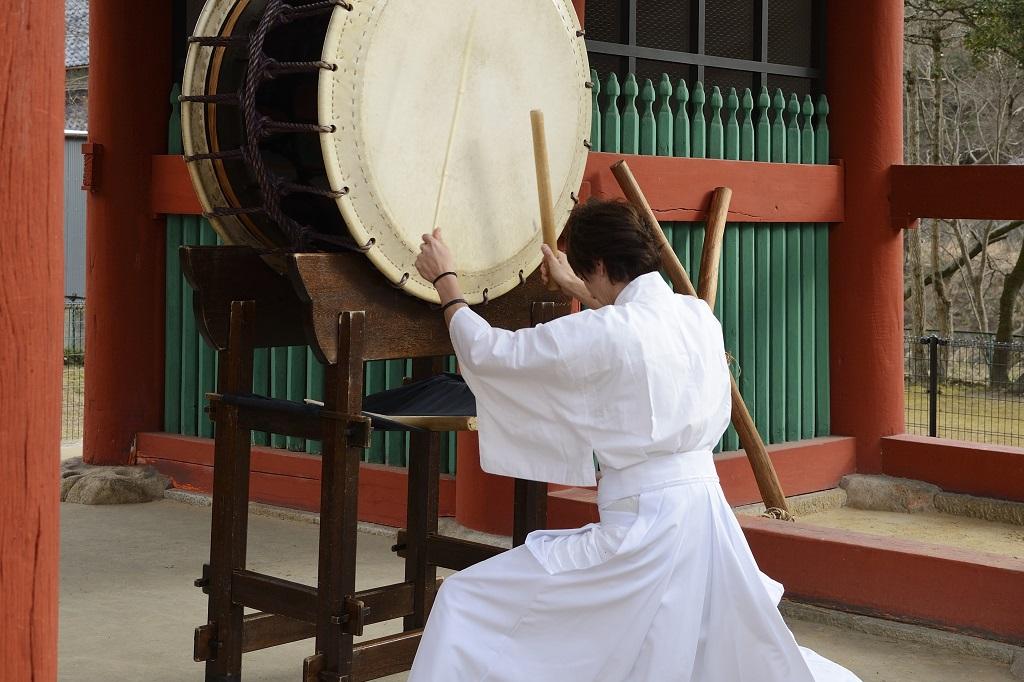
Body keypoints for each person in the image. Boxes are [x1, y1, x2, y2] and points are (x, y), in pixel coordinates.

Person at [408, 199, 860, 682]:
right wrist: (576, 285)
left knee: (465, 600)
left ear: (600, 266)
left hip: (643, 533)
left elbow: (490, 352)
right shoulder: (696, 316)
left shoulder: (607, 331)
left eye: (589, 274)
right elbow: (629, 320)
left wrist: (446, 281)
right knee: (684, 646)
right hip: (706, 521)